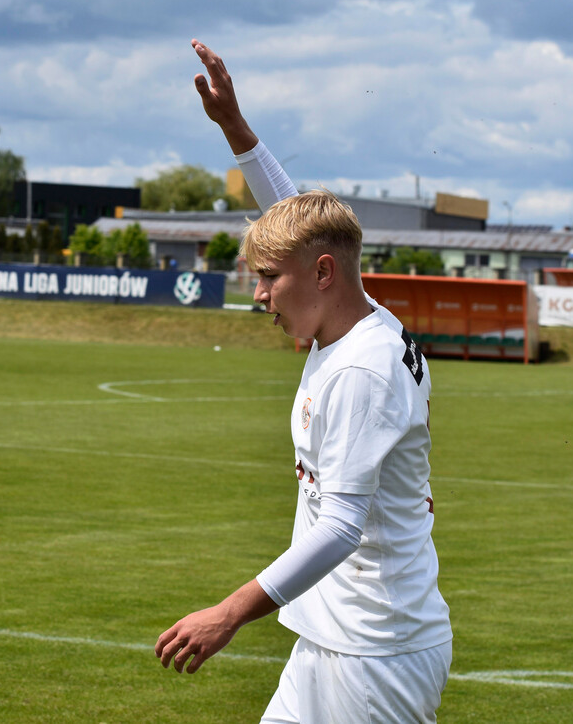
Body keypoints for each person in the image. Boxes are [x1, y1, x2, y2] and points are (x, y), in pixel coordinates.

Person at [153, 40, 452, 723]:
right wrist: (234, 127)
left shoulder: (360, 370)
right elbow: (300, 220)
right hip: (332, 639)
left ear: (322, 276)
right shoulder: (355, 311)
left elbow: (343, 525)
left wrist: (227, 613)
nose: (260, 296)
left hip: (375, 655)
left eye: (268, 280)